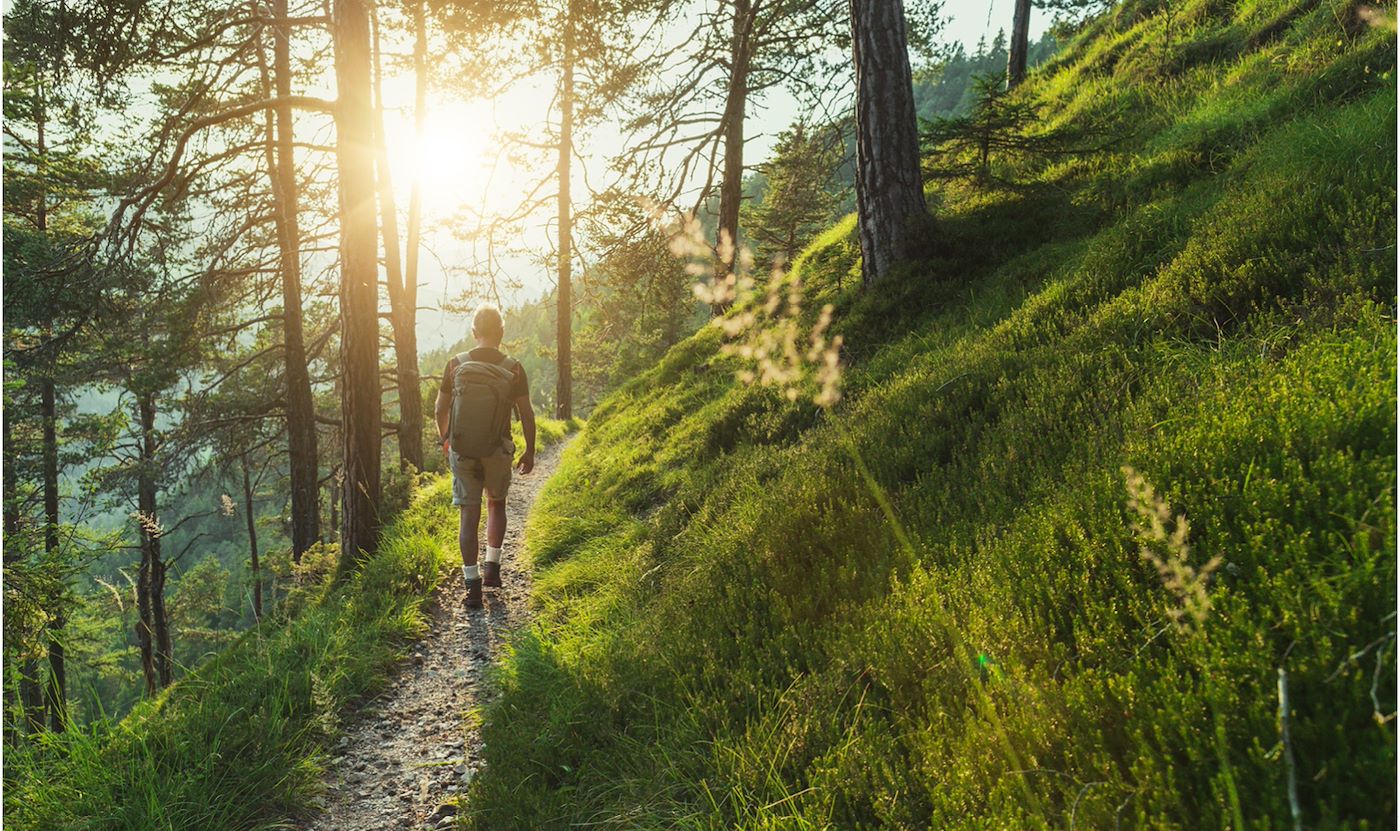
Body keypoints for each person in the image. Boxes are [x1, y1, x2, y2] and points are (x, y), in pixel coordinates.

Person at [434, 305, 535, 609]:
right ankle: (492, 567)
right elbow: (526, 414)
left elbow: (440, 408)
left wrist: (447, 439)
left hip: (463, 450)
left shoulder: (455, 364)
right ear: (501, 334)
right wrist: (529, 449)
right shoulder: (514, 367)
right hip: (497, 449)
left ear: (474, 333)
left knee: (468, 514)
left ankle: (472, 585)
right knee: (496, 504)